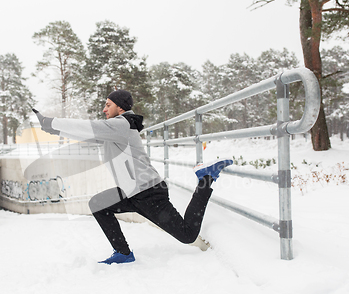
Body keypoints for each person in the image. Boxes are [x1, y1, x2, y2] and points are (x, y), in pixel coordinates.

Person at [33, 90, 232, 264]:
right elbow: (86, 134)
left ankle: (205, 179)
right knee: (98, 204)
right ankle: (123, 253)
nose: (104, 109)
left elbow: (89, 127)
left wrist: (52, 122)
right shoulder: (114, 129)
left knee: (187, 235)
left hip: (148, 193)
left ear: (120, 108)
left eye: (108, 105)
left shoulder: (122, 125)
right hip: (132, 192)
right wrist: (54, 128)